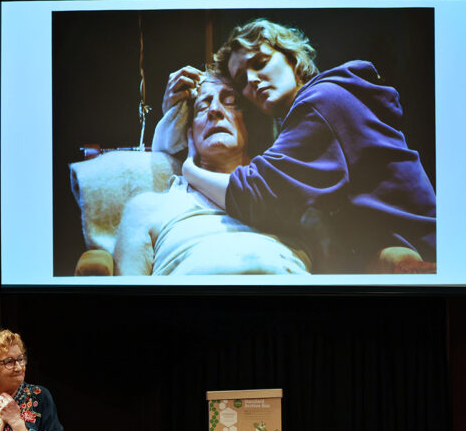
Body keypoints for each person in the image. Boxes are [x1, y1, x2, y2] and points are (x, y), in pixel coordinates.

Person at [176, 18, 438, 274]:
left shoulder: (319, 102)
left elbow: (256, 194)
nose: (253, 80)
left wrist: (188, 170)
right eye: (242, 80)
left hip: (425, 260)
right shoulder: (318, 106)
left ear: (292, 58)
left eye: (260, 62)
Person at [113, 70, 310, 275]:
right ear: (189, 131)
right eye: (202, 106)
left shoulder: (289, 200)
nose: (214, 110)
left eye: (231, 102)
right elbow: (127, 290)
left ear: (251, 123)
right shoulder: (148, 208)